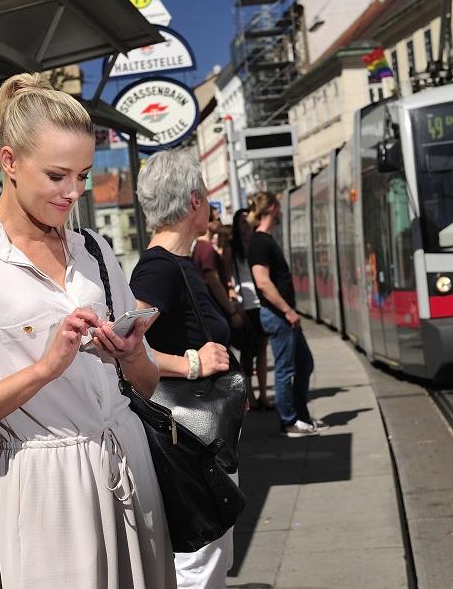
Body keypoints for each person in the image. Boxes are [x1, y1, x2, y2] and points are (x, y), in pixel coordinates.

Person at [0, 73, 174, 588]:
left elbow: (145, 384)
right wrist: (45, 369)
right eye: (56, 175)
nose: (73, 192)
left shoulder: (94, 247)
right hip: (47, 486)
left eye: (84, 175)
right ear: (9, 162)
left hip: (133, 465)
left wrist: (131, 353)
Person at [129, 149, 235, 589]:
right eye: (206, 194)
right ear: (194, 202)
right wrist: (193, 363)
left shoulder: (179, 264)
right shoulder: (159, 269)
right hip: (189, 442)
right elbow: (125, 344)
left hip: (202, 438)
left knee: (211, 557)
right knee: (200, 563)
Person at [248, 192, 328, 437]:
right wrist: (287, 310)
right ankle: (288, 421)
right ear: (272, 208)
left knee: (305, 363)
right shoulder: (260, 242)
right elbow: (262, 282)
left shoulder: (265, 240)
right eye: (279, 208)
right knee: (285, 369)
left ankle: (301, 416)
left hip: (283, 315)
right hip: (278, 315)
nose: (281, 213)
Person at [229, 208, 271, 411]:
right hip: (245, 306)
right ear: (237, 227)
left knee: (262, 349)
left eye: (248, 223)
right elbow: (228, 278)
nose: (247, 228)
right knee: (247, 353)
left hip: (260, 303)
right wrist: (235, 304)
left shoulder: (257, 245)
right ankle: (251, 395)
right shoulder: (232, 249)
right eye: (243, 224)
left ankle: (263, 394)